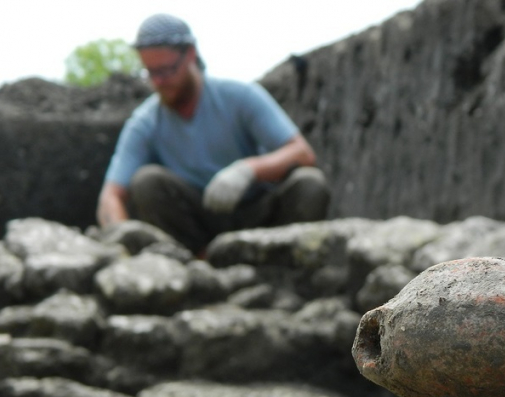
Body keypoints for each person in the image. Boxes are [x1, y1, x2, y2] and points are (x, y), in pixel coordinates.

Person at [97, 13, 330, 255]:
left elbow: (302, 153)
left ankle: (284, 268)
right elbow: (111, 196)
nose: (159, 82)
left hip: (258, 212)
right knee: (147, 181)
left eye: (166, 71)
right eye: (150, 73)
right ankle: (199, 268)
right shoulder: (145, 122)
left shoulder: (240, 96)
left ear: (190, 54)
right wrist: (121, 248)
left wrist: (248, 170)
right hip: (198, 225)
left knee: (309, 184)